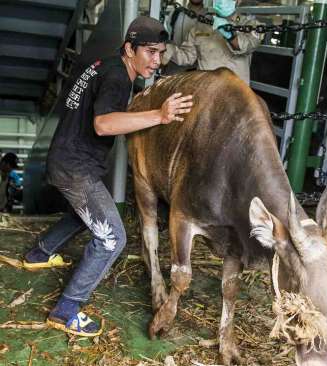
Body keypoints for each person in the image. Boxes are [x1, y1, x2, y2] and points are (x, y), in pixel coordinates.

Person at [22, 16, 193, 337]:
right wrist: (159, 115)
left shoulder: (106, 64)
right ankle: (66, 310)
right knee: (112, 238)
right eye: (150, 52)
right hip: (74, 166)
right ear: (130, 48)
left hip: (66, 157)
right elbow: (103, 124)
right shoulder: (117, 76)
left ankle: (39, 254)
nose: (157, 61)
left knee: (84, 213)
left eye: (161, 53)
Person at [162, 0, 261, 83]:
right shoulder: (200, 26)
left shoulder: (250, 24)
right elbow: (187, 57)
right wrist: (164, 48)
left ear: (238, 1)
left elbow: (246, 46)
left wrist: (230, 35)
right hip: (205, 88)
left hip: (234, 92)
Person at [162, 0, 205, 74]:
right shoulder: (176, 13)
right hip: (173, 69)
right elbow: (168, 34)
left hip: (196, 73)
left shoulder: (211, 18)